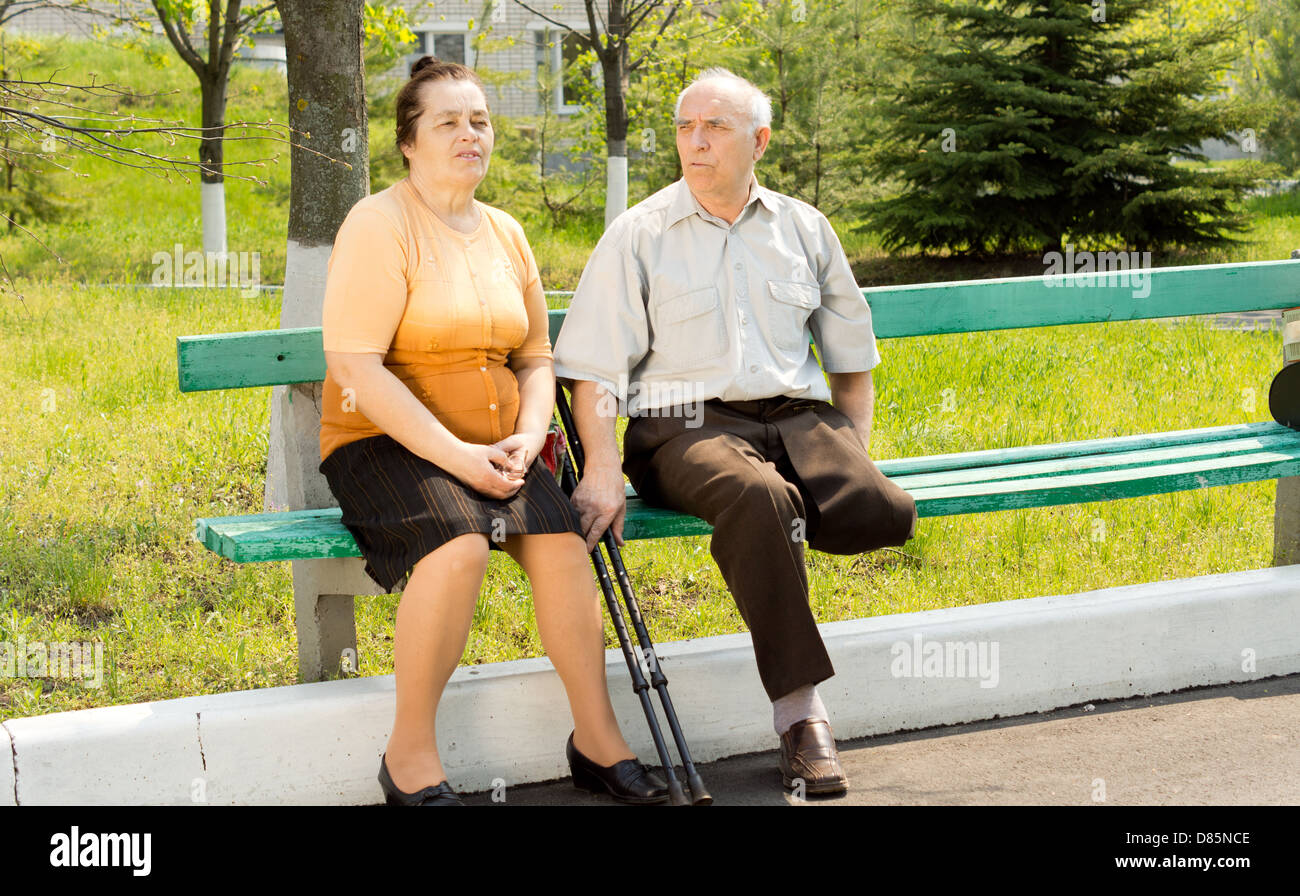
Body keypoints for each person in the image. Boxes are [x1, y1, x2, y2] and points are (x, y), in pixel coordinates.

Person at [554, 68, 918, 795]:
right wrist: (599, 471)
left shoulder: (805, 228)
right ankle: (802, 718)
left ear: (760, 140)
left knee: (886, 511)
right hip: (682, 426)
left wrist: (853, 446)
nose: (695, 142)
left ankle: (797, 507)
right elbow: (591, 372)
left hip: (792, 416)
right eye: (686, 127)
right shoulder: (640, 234)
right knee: (762, 501)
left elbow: (851, 359)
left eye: (714, 128)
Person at [317, 56, 668, 806]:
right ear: (408, 142)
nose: (468, 133)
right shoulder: (378, 223)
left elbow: (536, 354)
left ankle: (597, 743)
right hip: (382, 442)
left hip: (498, 446)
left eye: (479, 120)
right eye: (447, 121)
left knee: (564, 545)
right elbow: (355, 366)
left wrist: (529, 432)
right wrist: (460, 459)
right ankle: (408, 757)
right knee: (459, 544)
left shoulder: (506, 231)